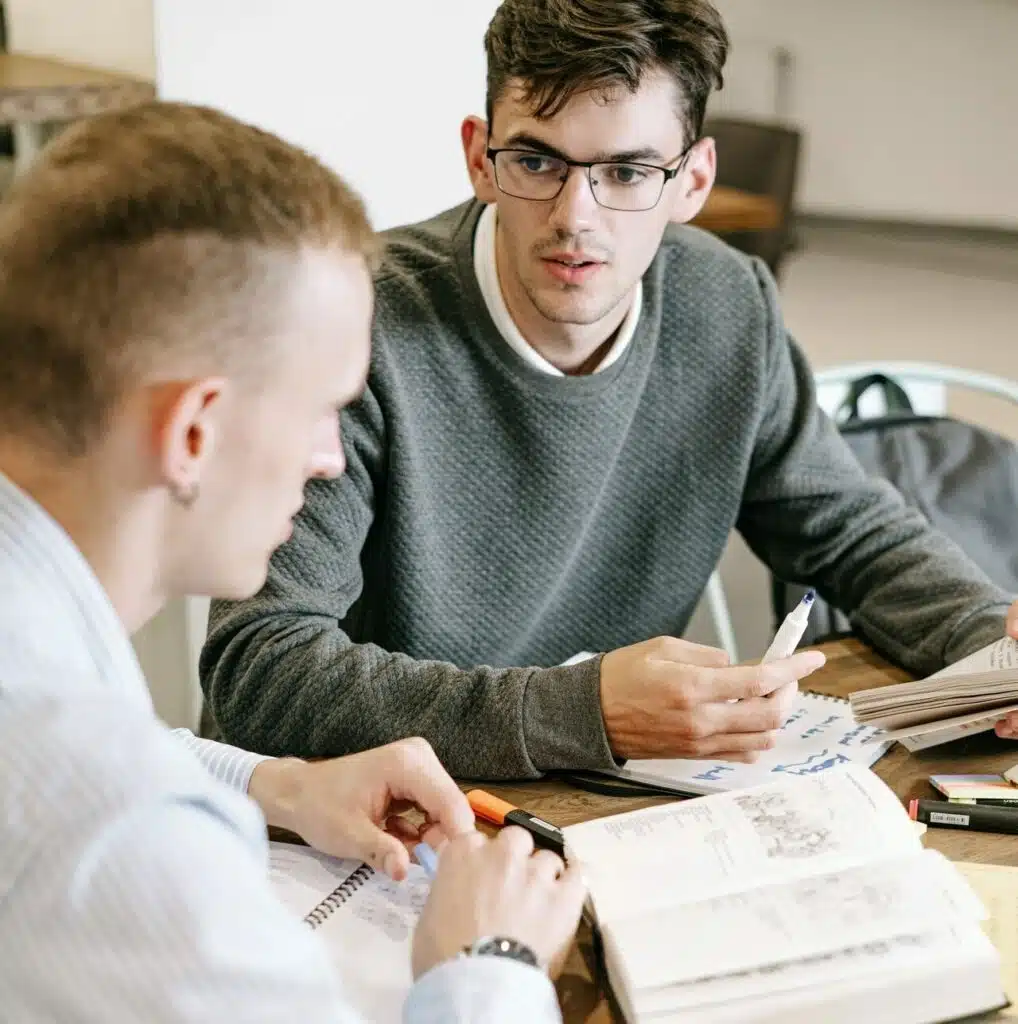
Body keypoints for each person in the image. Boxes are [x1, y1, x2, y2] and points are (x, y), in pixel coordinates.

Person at [202, 0, 1018, 781]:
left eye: (628, 171)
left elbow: (848, 531)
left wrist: (991, 643)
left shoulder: (728, 304)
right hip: (354, 839)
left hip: (596, 807)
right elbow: (259, 670)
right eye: (536, 162)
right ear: (479, 156)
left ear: (693, 180)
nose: (576, 217)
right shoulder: (353, 321)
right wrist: (583, 711)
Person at [0, 102, 585, 1021]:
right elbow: (89, 782)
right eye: (322, 408)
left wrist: (277, 783)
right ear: (194, 431)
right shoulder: (121, 837)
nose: (329, 457)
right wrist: (490, 962)